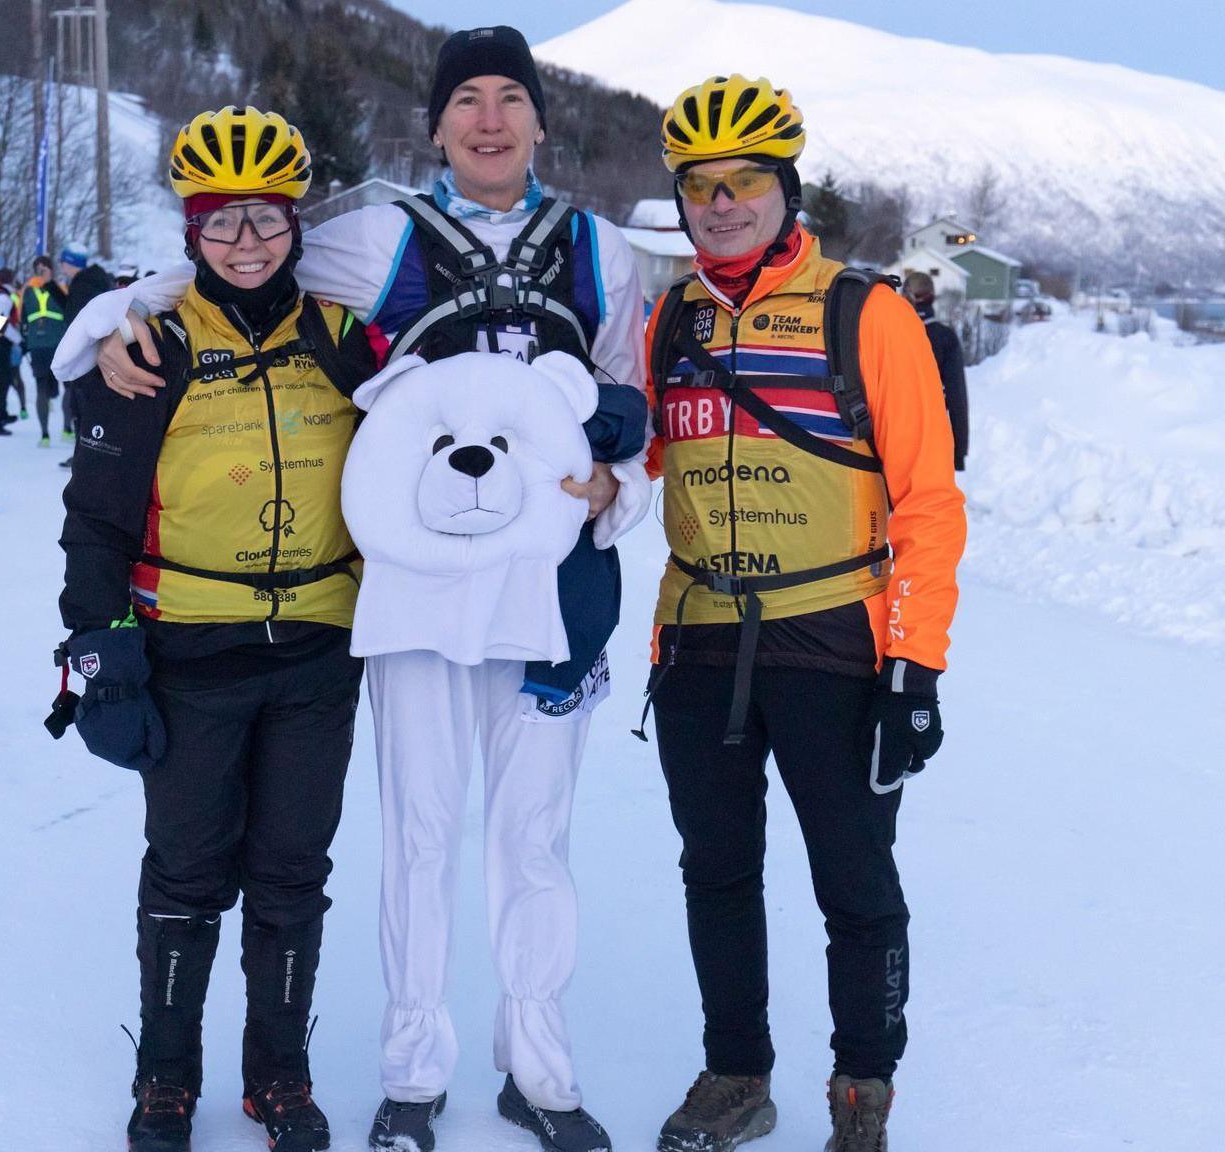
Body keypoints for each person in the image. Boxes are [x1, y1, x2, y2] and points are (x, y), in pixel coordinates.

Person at [52, 27, 650, 1152]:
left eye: (507, 99)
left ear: (536, 119)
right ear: (431, 126)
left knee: (534, 841)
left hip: (553, 587)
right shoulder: (375, 234)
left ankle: (541, 1070)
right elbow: (230, 260)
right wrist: (105, 321)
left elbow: (622, 393)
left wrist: (616, 480)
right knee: (419, 833)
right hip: (417, 592)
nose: (486, 118)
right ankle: (413, 1073)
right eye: (462, 98)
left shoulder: (600, 250)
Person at [637, 76, 966, 1152]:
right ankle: (736, 1076)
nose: (719, 204)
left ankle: (859, 1095)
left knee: (854, 881)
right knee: (715, 873)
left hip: (833, 637)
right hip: (696, 639)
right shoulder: (670, 319)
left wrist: (914, 666)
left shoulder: (862, 313)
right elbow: (642, 463)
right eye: (699, 185)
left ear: (785, 188)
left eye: (742, 183)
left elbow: (925, 498)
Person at [57, 105, 379, 1152]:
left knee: (291, 873)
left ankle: (277, 1076)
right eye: (219, 221)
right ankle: (164, 1076)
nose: (245, 241)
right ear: (190, 230)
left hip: (319, 649)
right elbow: (96, 519)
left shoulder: (342, 337)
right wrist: (99, 653)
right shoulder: (150, 344)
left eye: (265, 218)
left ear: (294, 221)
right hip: (189, 644)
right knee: (188, 873)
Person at [53, 244, 113, 469]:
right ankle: (88, 456)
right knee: (85, 408)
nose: (62, 267)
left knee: (83, 408)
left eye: (63, 262)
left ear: (70, 263)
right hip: (96, 357)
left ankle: (87, 458)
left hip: (87, 358)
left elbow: (77, 321)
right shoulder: (91, 281)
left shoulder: (83, 285)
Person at [902, 272, 969, 471]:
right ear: (932, 296)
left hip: (888, 436)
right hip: (930, 439)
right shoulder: (945, 337)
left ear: (907, 296)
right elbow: (957, 397)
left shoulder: (891, 331)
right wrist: (958, 450)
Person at [20, 255, 68, 447]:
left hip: (37, 344)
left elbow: (21, 318)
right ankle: (67, 429)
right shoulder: (60, 288)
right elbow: (70, 311)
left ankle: (45, 434)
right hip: (60, 343)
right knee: (68, 386)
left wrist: (24, 340)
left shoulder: (27, 290)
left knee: (41, 387)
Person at [0, 266, 23, 435]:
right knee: (0, 383)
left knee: (3, 380)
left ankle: (1, 414)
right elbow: (1, 324)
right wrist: (19, 340)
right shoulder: (4, 298)